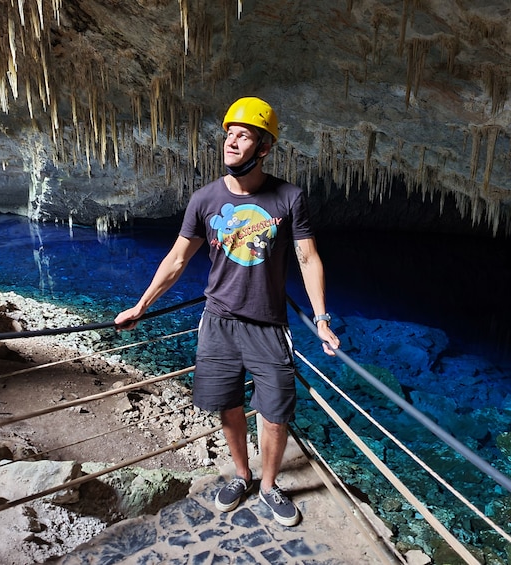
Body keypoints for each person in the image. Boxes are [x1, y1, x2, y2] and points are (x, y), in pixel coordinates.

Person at [114, 96, 340, 526]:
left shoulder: (289, 198)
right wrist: (140, 306)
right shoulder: (205, 199)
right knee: (228, 405)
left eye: (244, 136)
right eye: (229, 135)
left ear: (264, 148)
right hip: (218, 322)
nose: (232, 142)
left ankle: (270, 486)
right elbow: (177, 259)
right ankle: (241, 475)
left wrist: (323, 320)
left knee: (274, 413)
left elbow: (309, 259)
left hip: (268, 325)